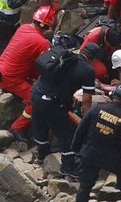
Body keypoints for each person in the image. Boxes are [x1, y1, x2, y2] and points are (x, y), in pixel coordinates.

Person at [31, 43, 96, 177]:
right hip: (52, 101)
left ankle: (42, 153)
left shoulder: (64, 55)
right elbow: (86, 101)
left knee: (40, 124)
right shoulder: (87, 70)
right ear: (94, 59)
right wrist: (88, 121)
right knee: (67, 133)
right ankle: (68, 166)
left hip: (36, 92)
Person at [0, 4, 57, 139]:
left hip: (2, 68)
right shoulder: (42, 43)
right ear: (48, 26)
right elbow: (46, 66)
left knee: (34, 76)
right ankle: (17, 127)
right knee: (36, 100)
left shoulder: (24, 28)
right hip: (11, 77)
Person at [81, 21, 121, 89]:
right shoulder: (93, 37)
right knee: (101, 70)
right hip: (94, 57)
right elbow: (82, 58)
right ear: (107, 42)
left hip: (107, 55)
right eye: (115, 48)